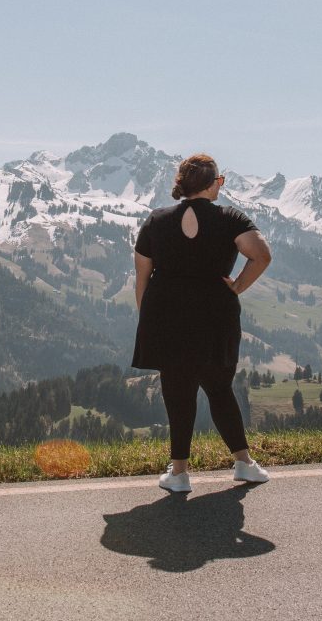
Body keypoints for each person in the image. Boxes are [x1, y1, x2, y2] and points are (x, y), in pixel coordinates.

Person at [131, 152, 274, 493]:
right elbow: (262, 255)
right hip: (215, 315)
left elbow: (142, 277)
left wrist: (148, 319)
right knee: (220, 388)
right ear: (212, 185)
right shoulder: (230, 218)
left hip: (168, 315)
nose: (221, 187)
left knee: (178, 392)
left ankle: (178, 473)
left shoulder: (156, 220)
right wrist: (238, 285)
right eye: (220, 181)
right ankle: (244, 464)